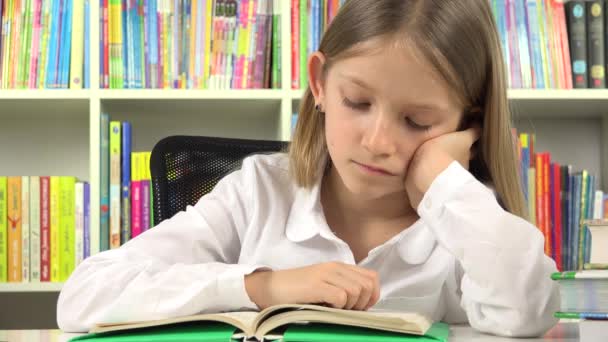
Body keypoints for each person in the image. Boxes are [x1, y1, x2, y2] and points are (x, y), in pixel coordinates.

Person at [57, 0, 560, 336]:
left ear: (464, 125)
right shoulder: (256, 193)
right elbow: (84, 295)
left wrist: (443, 183)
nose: (378, 141)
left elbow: (527, 311)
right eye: (357, 102)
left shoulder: (463, 222)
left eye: (417, 121)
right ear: (319, 84)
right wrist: (265, 287)